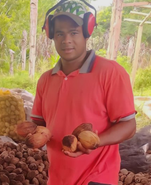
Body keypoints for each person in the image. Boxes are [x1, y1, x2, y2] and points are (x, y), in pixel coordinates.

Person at [31, 1, 136, 185]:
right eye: (59, 34)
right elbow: (39, 124)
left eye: (74, 32)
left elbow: (129, 126)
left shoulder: (110, 72)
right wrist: (31, 136)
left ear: (86, 33)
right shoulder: (46, 80)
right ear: (51, 36)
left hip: (97, 177)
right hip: (57, 178)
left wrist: (94, 142)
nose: (66, 40)